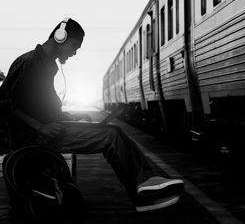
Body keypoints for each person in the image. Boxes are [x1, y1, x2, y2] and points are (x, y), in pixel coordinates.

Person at [0, 17, 184, 212]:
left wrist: (71, 117)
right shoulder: (29, 63)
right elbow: (4, 104)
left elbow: (39, 108)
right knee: (112, 135)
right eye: (74, 46)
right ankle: (143, 185)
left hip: (47, 132)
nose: (75, 52)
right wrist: (41, 127)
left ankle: (143, 189)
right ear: (60, 37)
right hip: (35, 137)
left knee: (112, 133)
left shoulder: (44, 66)